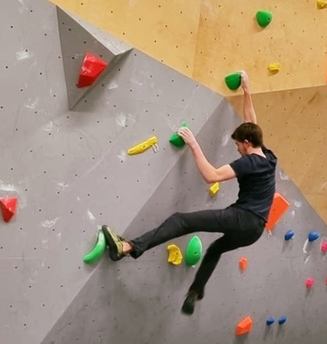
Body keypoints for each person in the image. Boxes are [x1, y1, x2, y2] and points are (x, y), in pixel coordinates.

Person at [101, 71, 277, 315]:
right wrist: (247, 90)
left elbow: (212, 176)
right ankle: (195, 292)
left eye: (238, 145)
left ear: (247, 143)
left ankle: (128, 248)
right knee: (215, 249)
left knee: (181, 221)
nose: (237, 149)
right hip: (255, 230)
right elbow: (252, 122)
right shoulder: (269, 158)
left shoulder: (249, 163)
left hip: (242, 217)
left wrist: (194, 144)